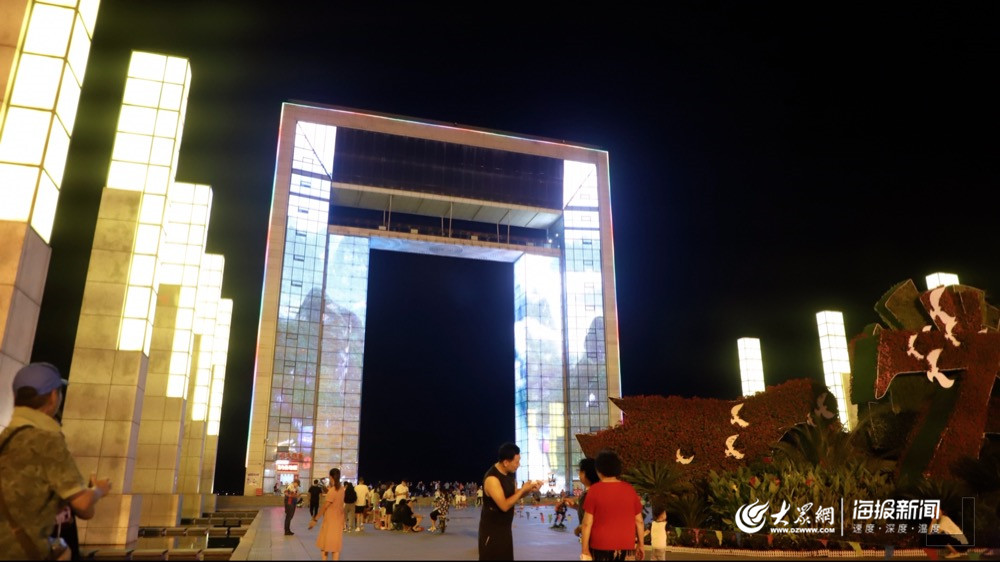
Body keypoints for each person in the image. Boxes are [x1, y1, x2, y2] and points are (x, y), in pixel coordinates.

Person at [0, 362, 113, 560]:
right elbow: (83, 505)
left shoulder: (5, 439)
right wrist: (99, 490)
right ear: (54, 396)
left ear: (16, 397)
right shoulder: (46, 440)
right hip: (27, 552)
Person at [478, 442, 542, 560]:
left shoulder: (509, 474)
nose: (519, 465)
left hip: (505, 531)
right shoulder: (492, 479)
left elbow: (513, 495)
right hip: (492, 533)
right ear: (506, 462)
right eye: (516, 462)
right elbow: (504, 505)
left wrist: (529, 490)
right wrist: (523, 489)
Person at [580, 449, 645, 561]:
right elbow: (639, 521)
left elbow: (587, 523)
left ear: (598, 470)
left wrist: (585, 549)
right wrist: (641, 544)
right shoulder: (629, 489)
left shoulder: (594, 490)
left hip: (600, 545)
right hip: (626, 545)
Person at [309, 468, 345, 561]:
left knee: (324, 546)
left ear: (331, 477)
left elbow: (325, 507)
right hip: (339, 521)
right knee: (335, 548)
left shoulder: (332, 491)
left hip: (330, 522)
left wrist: (315, 519)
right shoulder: (342, 489)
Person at [568, 457, 599, 537]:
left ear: (585, 473)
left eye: (580, 471)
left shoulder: (587, 495)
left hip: (592, 538)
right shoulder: (599, 491)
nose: (579, 474)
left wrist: (579, 528)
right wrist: (576, 507)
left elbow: (588, 522)